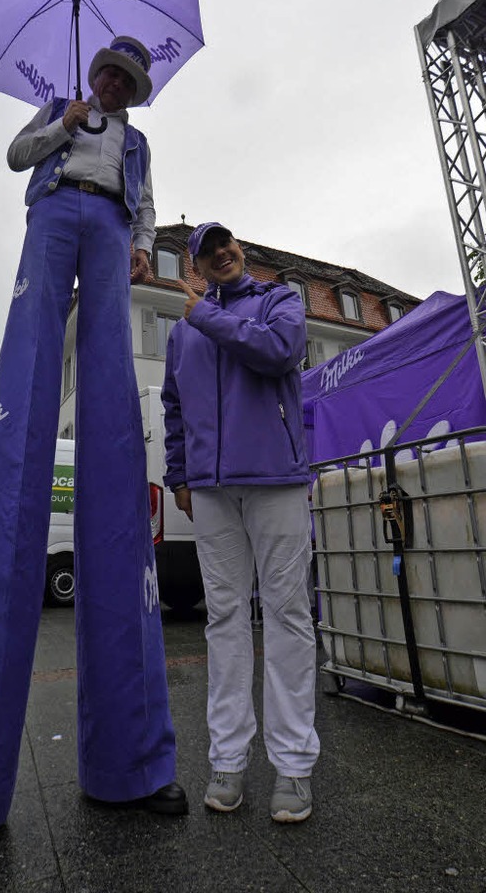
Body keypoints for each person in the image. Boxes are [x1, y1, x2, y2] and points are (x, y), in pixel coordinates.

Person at [0, 37, 187, 877]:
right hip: (52, 212)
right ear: (93, 72)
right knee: (20, 424)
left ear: (137, 92)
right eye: (107, 73)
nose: (113, 85)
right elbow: (15, 156)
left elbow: (145, 207)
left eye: (126, 82)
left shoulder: (135, 145)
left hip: (106, 230)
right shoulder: (63, 110)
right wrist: (61, 125)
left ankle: (132, 764)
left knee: (110, 440)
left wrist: (141, 240)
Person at [161, 221, 319, 822]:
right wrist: (179, 475)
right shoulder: (182, 334)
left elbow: (279, 351)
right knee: (224, 618)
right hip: (212, 491)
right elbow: (173, 405)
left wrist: (207, 318)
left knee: (286, 615)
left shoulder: (279, 301)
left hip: (276, 479)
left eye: (226, 245)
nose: (220, 254)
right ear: (196, 266)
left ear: (241, 251)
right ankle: (228, 761)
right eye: (207, 251)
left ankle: (294, 767)